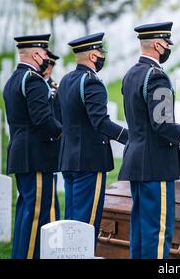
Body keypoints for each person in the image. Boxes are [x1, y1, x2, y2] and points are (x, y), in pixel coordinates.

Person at [119, 22, 180, 259]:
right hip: (155, 164)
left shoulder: (131, 74)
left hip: (136, 160)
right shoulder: (156, 77)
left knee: (140, 228)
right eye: (167, 43)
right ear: (159, 45)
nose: (169, 48)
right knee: (158, 231)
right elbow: (162, 124)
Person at [58, 33, 128, 240]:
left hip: (68, 158)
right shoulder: (91, 83)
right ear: (92, 56)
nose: (102, 57)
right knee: (85, 224)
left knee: (71, 219)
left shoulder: (66, 80)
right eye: (100, 53)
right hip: (89, 160)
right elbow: (101, 122)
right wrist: (130, 137)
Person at [3, 34, 62, 259]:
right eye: (45, 53)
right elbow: (42, 120)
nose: (47, 57)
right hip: (36, 154)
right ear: (36, 54)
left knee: (26, 212)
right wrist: (63, 136)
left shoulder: (15, 78)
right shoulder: (33, 79)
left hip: (23, 154)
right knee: (37, 214)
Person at [42, 50, 62, 221]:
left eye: (51, 65)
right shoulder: (32, 84)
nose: (48, 68)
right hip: (40, 141)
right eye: (46, 64)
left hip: (53, 141)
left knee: (51, 194)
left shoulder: (57, 89)